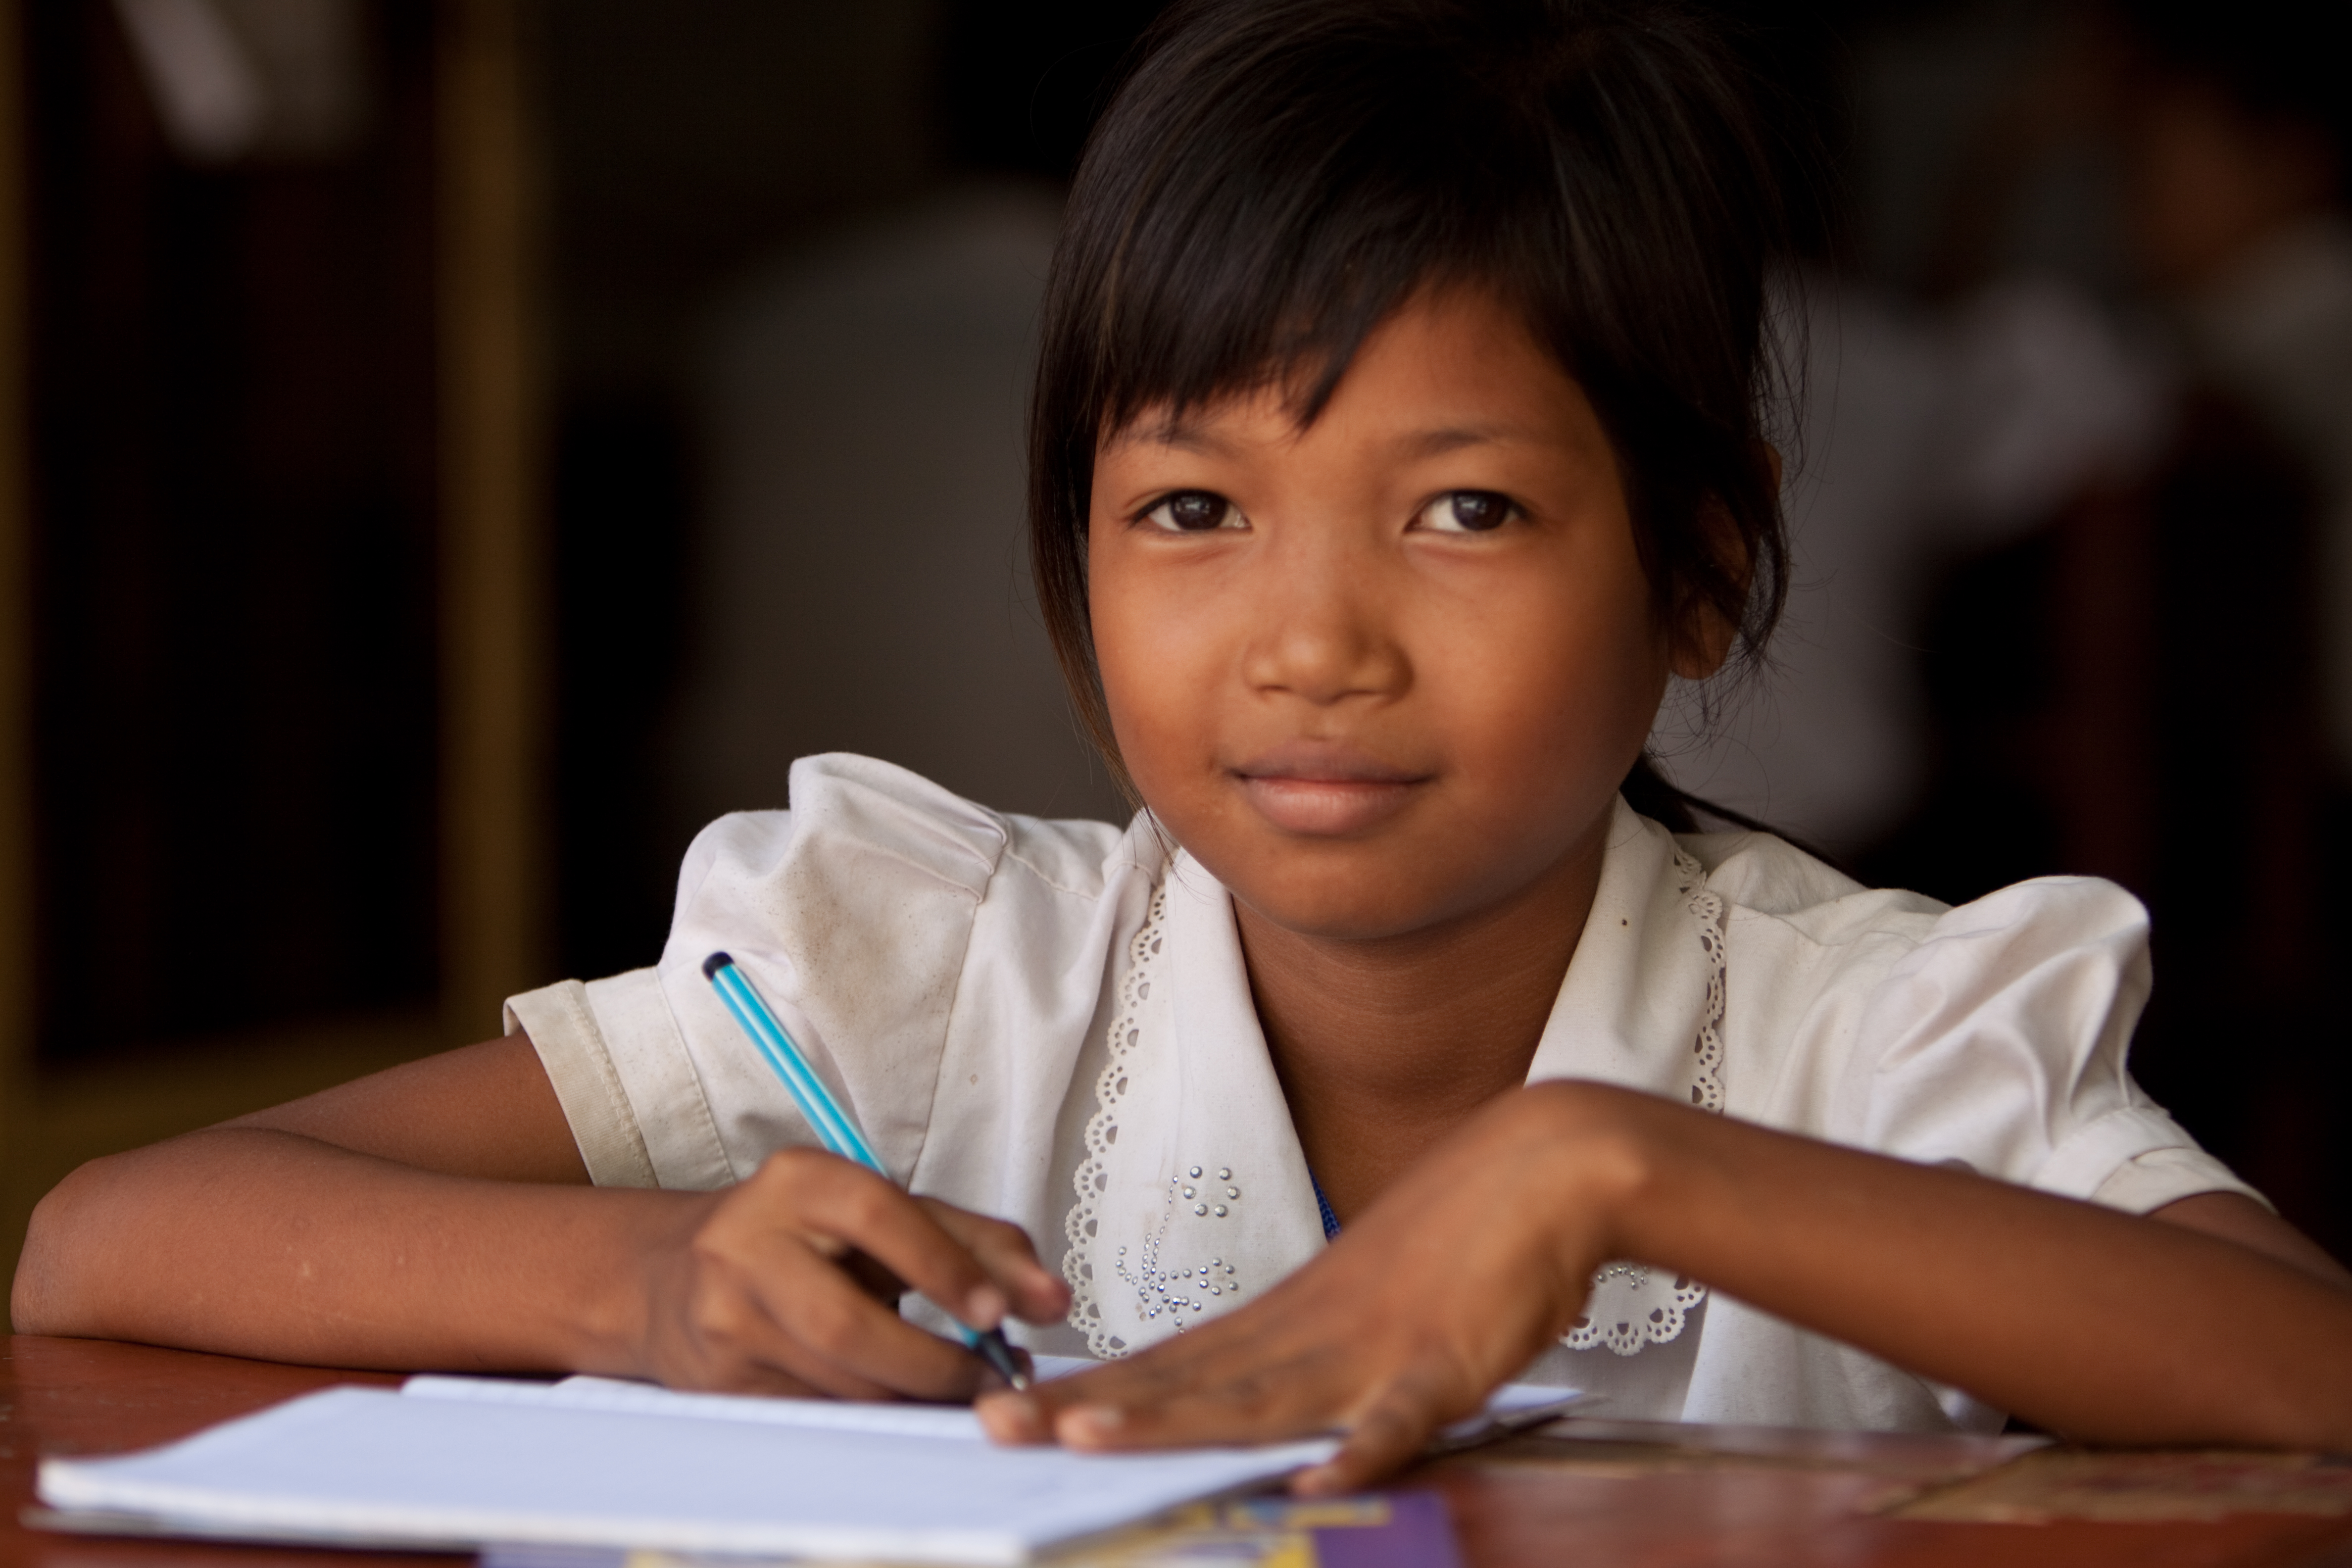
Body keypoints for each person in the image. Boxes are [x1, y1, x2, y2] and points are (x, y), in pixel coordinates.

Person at [13, 0, 2352, 1495]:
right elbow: (100, 1241)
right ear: (1076, 562)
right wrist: (648, 1287)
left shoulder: (1882, 1038)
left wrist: (1613, 1175)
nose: (1311, 642)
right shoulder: (931, 976)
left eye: (1464, 510)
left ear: (1701, 569)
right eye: (1193, 512)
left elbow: (2309, 1372)